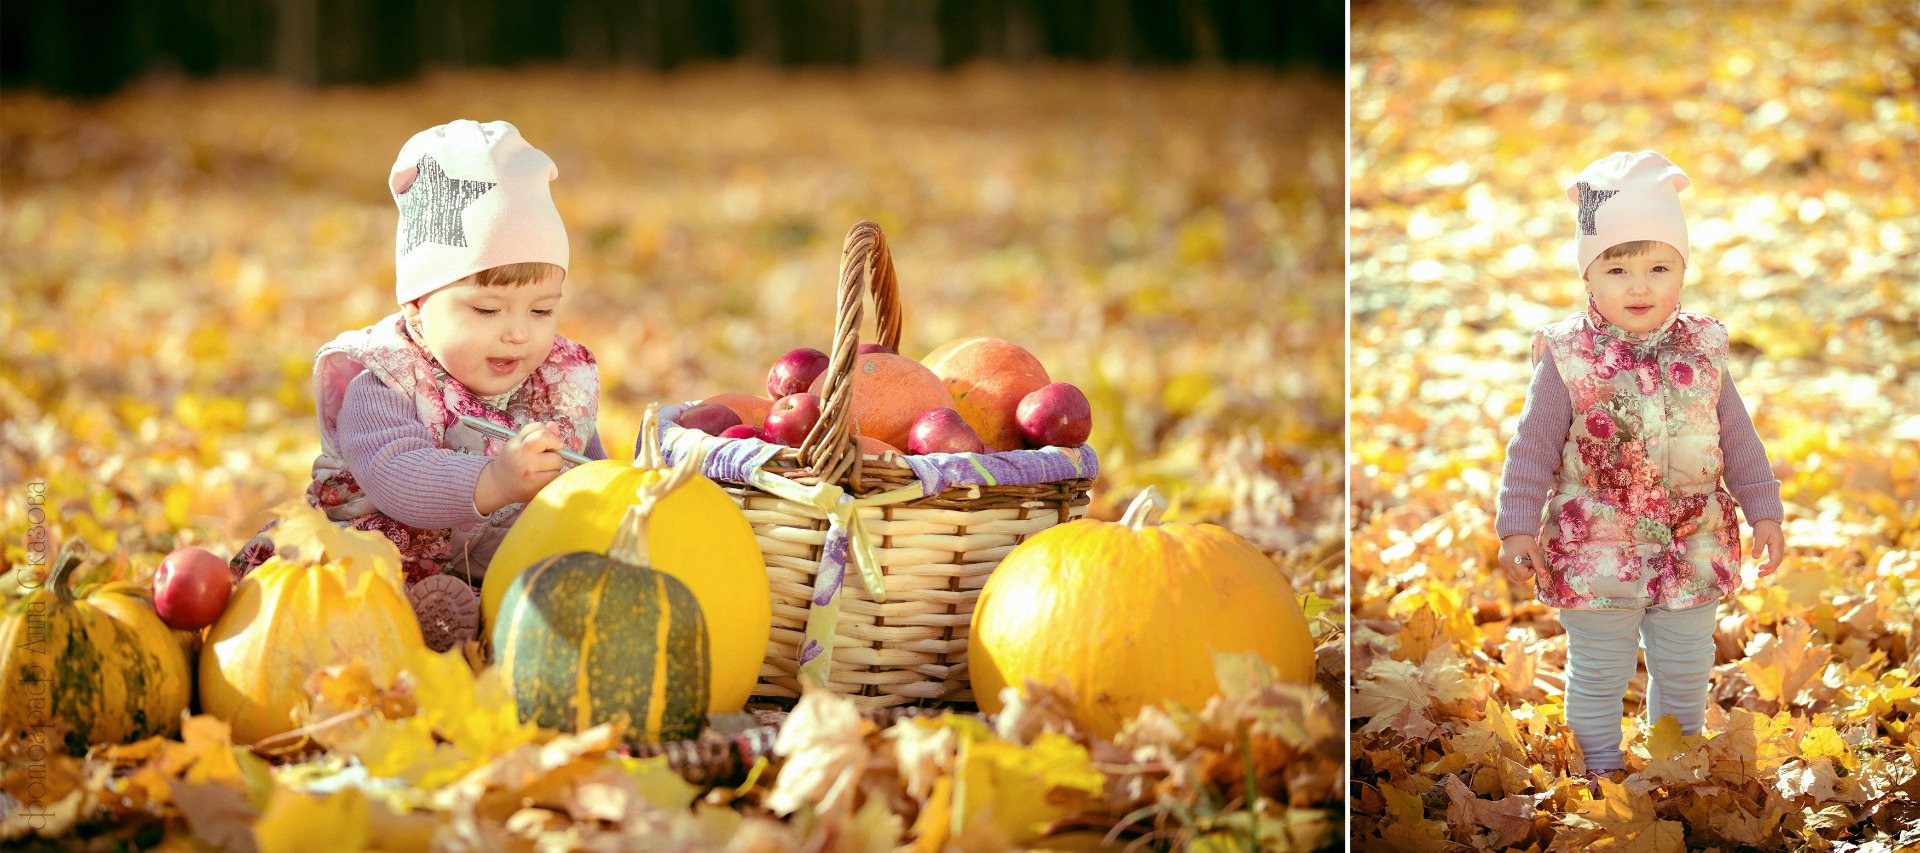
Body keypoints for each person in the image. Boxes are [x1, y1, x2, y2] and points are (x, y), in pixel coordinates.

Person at [232, 120, 605, 651]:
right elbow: (395, 473)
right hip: (368, 567)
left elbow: (588, 470)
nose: (519, 332)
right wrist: (493, 481)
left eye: (542, 309)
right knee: (345, 625)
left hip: (494, 575)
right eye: (486, 309)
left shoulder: (554, 383)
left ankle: (499, 632)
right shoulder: (384, 379)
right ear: (417, 307)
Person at [1495, 150, 1787, 792]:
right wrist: (1517, 526)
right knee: (1599, 667)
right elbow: (1534, 448)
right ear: (1589, 276)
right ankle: (1599, 767)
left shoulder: (1705, 349)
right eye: (1617, 267)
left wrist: (1764, 510)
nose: (1639, 286)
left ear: (1682, 270)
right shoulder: (1567, 357)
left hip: (1693, 540)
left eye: (1659, 267)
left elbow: (1737, 437)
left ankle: (1674, 767)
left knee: (1685, 665)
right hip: (1595, 545)